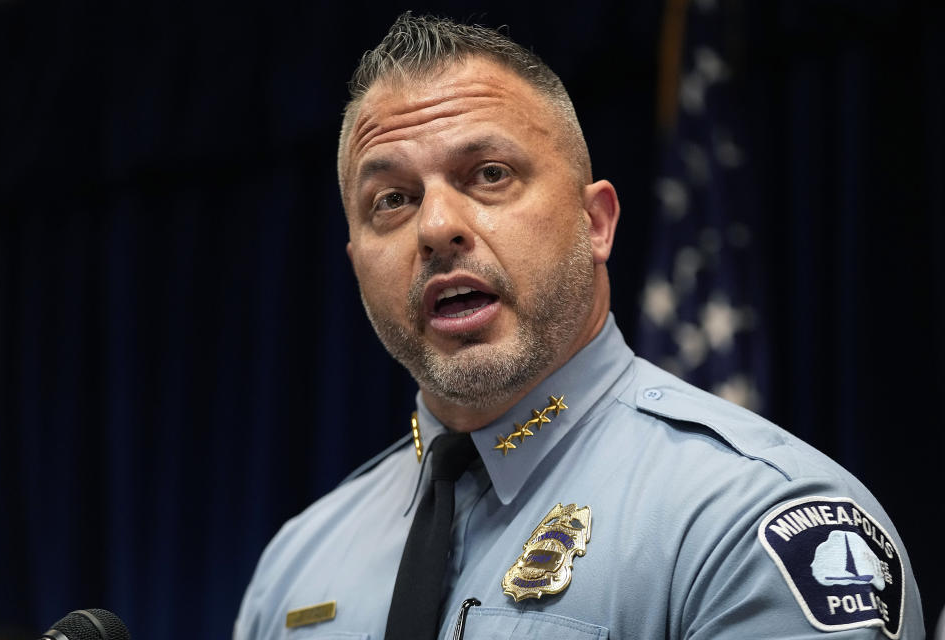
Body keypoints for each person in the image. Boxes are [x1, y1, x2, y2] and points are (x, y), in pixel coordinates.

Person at [235, 13, 924, 640]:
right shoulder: (297, 564)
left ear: (596, 224)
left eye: (490, 174)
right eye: (391, 200)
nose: (437, 228)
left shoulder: (748, 520)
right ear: (356, 263)